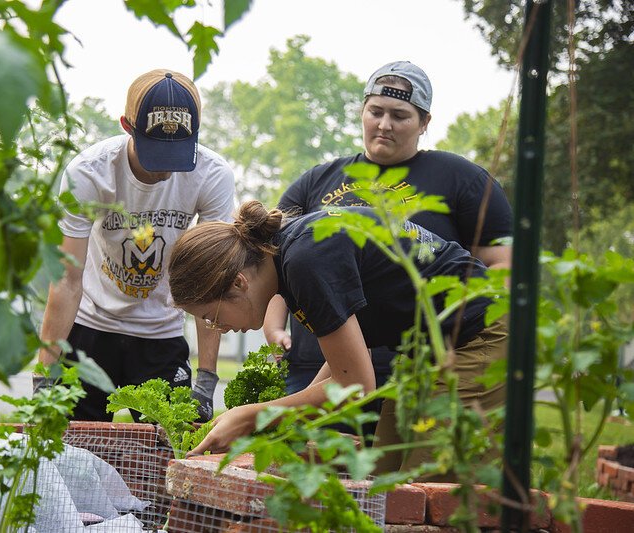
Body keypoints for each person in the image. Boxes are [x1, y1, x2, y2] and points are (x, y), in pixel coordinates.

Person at [168, 201, 507, 478]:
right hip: (429, 347)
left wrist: (251, 415)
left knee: (427, 483)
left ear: (239, 284)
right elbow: (341, 369)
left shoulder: (305, 262)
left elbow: (356, 387)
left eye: (211, 317)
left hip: (481, 332)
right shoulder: (291, 259)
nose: (219, 328)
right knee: (385, 476)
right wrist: (277, 418)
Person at [263, 60, 512, 395]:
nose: (384, 125)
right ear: (361, 111)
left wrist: (457, 331)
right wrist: (273, 328)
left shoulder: (460, 178)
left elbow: (503, 267)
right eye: (375, 111)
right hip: (319, 363)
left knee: (408, 447)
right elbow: (275, 259)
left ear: (425, 122)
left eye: (400, 115)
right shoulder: (316, 180)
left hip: (421, 359)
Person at [35, 69, 235, 422]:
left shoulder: (212, 175)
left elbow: (211, 282)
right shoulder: (89, 173)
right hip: (92, 327)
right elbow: (67, 280)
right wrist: (44, 376)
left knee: (173, 448)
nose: (167, 171)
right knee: (70, 450)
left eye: (177, 154)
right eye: (157, 153)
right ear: (127, 125)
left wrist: (206, 380)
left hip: (162, 331)